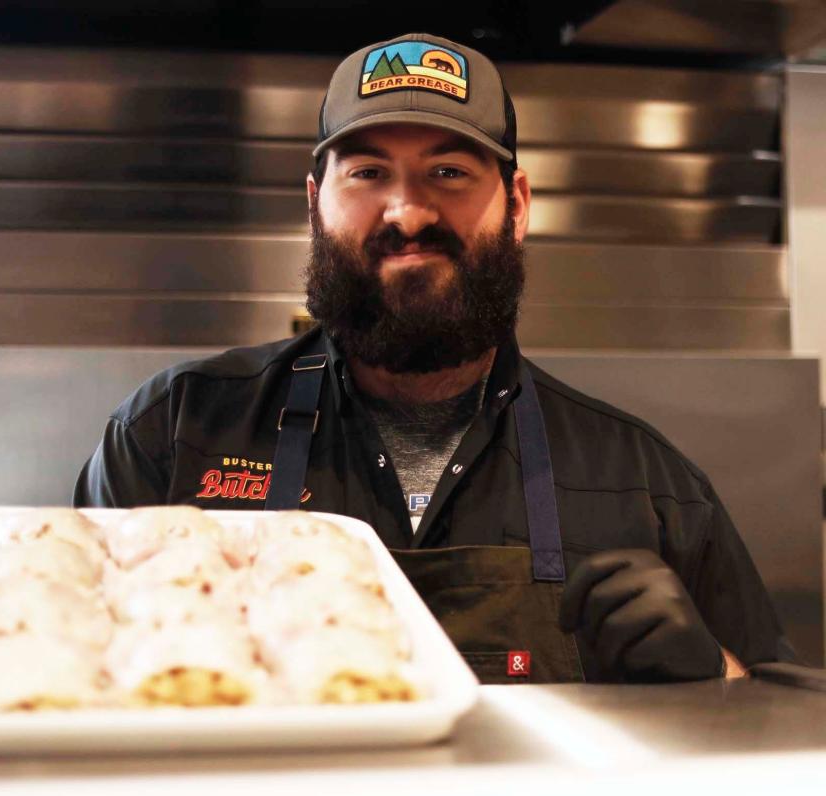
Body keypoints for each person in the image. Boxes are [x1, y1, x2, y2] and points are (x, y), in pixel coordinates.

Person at [75, 32, 795, 684]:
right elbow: (66, 697)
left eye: (448, 172)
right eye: (366, 173)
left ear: (517, 206)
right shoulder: (172, 434)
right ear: (314, 204)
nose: (408, 212)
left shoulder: (647, 486)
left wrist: (717, 675)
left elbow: (787, 734)